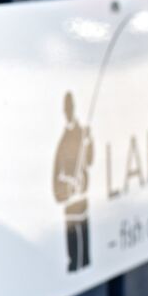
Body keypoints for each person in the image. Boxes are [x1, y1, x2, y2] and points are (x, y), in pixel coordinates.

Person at [53, 91, 94, 272]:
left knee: (84, 257)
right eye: (65, 109)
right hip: (69, 202)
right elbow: (57, 172)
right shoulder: (63, 140)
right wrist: (67, 185)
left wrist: (89, 143)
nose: (67, 112)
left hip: (82, 201)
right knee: (73, 260)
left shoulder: (82, 134)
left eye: (70, 108)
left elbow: (90, 160)